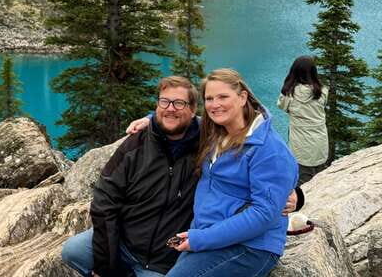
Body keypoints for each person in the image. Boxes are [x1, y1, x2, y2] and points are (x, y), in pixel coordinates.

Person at [61, 76, 301, 277]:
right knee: (73, 250)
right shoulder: (139, 144)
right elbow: (104, 202)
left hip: (170, 252)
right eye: (164, 102)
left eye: (179, 104)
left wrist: (295, 196)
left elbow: (269, 187)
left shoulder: (206, 138)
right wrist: (106, 267)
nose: (170, 109)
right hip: (130, 240)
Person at [166, 68, 298, 277]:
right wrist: (149, 119)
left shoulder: (268, 148)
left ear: (242, 97)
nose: (214, 104)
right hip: (210, 234)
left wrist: (202, 239)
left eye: (223, 97)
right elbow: (178, 119)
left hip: (251, 247)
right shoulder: (216, 133)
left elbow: (263, 214)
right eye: (209, 98)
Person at [277, 55, 329, 185]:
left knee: (301, 183)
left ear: (293, 71)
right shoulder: (322, 91)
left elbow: (281, 106)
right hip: (320, 145)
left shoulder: (289, 93)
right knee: (320, 180)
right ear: (313, 72)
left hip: (300, 147)